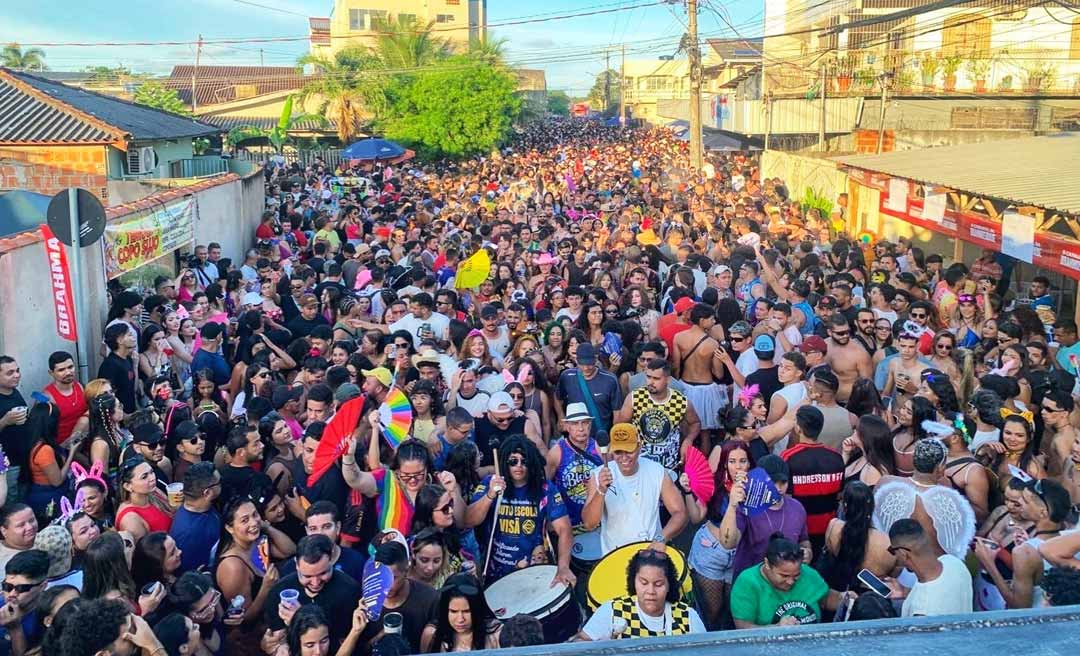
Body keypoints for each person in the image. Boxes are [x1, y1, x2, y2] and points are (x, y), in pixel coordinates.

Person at [465, 436, 575, 586]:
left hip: (536, 568)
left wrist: (563, 567)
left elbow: (564, 529)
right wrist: (490, 495)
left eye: (524, 461)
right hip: (497, 572)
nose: (519, 466)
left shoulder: (545, 488)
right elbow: (469, 520)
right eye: (513, 461)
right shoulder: (489, 483)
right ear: (505, 462)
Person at [581, 423, 688, 556]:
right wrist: (601, 490)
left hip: (651, 552)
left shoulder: (657, 471)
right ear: (611, 451)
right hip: (616, 554)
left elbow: (680, 513)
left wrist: (661, 538)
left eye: (629, 451)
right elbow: (589, 523)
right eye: (618, 452)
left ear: (639, 447)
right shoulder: (598, 475)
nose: (624, 457)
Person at [974, 478, 1071, 608]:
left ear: (1042, 512)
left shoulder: (1024, 552)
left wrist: (989, 563)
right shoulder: (1068, 540)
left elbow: (1020, 607)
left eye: (1025, 500)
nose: (1020, 503)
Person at [577, 547, 705, 640]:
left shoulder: (687, 617)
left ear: (669, 585)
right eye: (644, 583)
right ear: (634, 581)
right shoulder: (614, 611)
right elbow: (580, 643)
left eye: (658, 584)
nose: (650, 591)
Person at [264, 535, 360, 652]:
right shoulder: (279, 591)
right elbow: (277, 639)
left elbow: (348, 644)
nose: (315, 583)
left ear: (331, 560)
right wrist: (276, 646)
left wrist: (300, 619)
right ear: (296, 565)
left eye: (323, 573)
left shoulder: (349, 591)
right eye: (307, 576)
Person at [730, 535, 845, 628]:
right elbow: (743, 627)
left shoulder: (808, 573)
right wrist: (776, 628)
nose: (790, 581)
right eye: (784, 575)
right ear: (767, 564)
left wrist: (843, 599)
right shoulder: (747, 583)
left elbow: (825, 599)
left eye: (796, 575)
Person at [615, 358, 700, 470]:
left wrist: (688, 439)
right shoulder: (635, 398)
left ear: (668, 380)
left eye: (656, 378)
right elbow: (620, 427)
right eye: (648, 377)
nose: (650, 382)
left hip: (668, 466)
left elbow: (695, 423)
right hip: (639, 465)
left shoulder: (681, 402)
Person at [781, 406, 844, 554]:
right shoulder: (836, 457)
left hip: (799, 530)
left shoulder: (788, 457)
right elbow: (839, 495)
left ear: (798, 428)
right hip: (829, 531)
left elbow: (784, 497)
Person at [887, 518, 973, 617]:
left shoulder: (921, 611)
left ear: (903, 554)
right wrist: (906, 591)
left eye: (892, 551)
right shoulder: (954, 563)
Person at [671, 304, 727, 437]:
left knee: (685, 431)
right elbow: (719, 374)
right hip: (706, 389)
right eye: (712, 319)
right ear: (702, 321)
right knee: (705, 434)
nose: (714, 322)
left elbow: (676, 366)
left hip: (685, 387)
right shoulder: (713, 344)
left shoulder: (678, 337)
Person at [555, 343, 622, 445]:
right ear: (576, 360)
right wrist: (561, 416)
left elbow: (617, 414)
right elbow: (557, 398)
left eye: (590, 364)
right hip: (575, 438)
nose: (586, 368)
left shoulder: (610, 380)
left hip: (601, 438)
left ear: (596, 359)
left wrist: (613, 441)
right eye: (582, 364)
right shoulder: (567, 376)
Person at [420, 575, 501, 651]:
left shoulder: (495, 634)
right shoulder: (432, 634)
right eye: (453, 611)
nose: (460, 619)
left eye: (467, 611)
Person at [168, 462, 221, 574]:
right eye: (219, 483)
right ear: (207, 493)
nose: (221, 485)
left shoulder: (204, 507)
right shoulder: (190, 535)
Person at [43, 351, 87, 445]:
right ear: (51, 373)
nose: (68, 372)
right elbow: (42, 430)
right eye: (61, 370)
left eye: (70, 367)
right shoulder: (46, 397)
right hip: (63, 447)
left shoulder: (80, 386)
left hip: (85, 442)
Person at [0, 504, 39, 579]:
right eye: (21, 525)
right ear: (4, 531)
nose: (30, 527)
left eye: (31, 520)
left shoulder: (48, 539)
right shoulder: (5, 566)